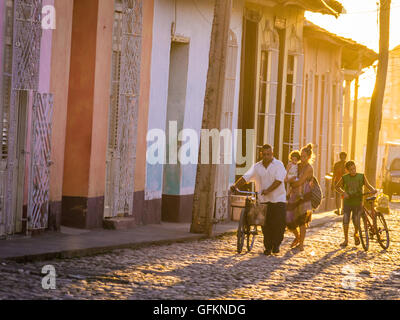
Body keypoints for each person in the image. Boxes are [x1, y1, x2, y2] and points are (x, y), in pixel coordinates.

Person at [230, 144, 287, 256]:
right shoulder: (257, 167)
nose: (266, 156)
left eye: (268, 154)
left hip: (278, 199)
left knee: (278, 224)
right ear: (261, 154)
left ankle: (276, 244)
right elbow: (246, 177)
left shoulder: (279, 165)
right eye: (264, 154)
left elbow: (279, 180)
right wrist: (235, 186)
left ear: (272, 154)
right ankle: (268, 247)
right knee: (266, 225)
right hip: (264, 200)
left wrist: (268, 190)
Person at [335, 161, 377, 247]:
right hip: (347, 202)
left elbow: (368, 185)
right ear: (347, 170)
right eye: (351, 170)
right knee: (346, 220)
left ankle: (356, 234)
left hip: (358, 202)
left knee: (356, 220)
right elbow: (337, 187)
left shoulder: (361, 176)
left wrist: (373, 190)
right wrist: (343, 193)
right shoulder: (344, 177)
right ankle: (346, 240)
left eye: (354, 168)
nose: (353, 171)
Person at [286, 144, 314, 252]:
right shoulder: (297, 165)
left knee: (302, 220)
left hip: (304, 196)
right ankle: (297, 236)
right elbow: (289, 175)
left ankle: (301, 244)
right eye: (301, 156)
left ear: (308, 157)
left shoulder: (309, 168)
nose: (302, 159)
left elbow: (300, 182)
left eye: (304, 157)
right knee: (288, 217)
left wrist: (291, 182)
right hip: (294, 195)